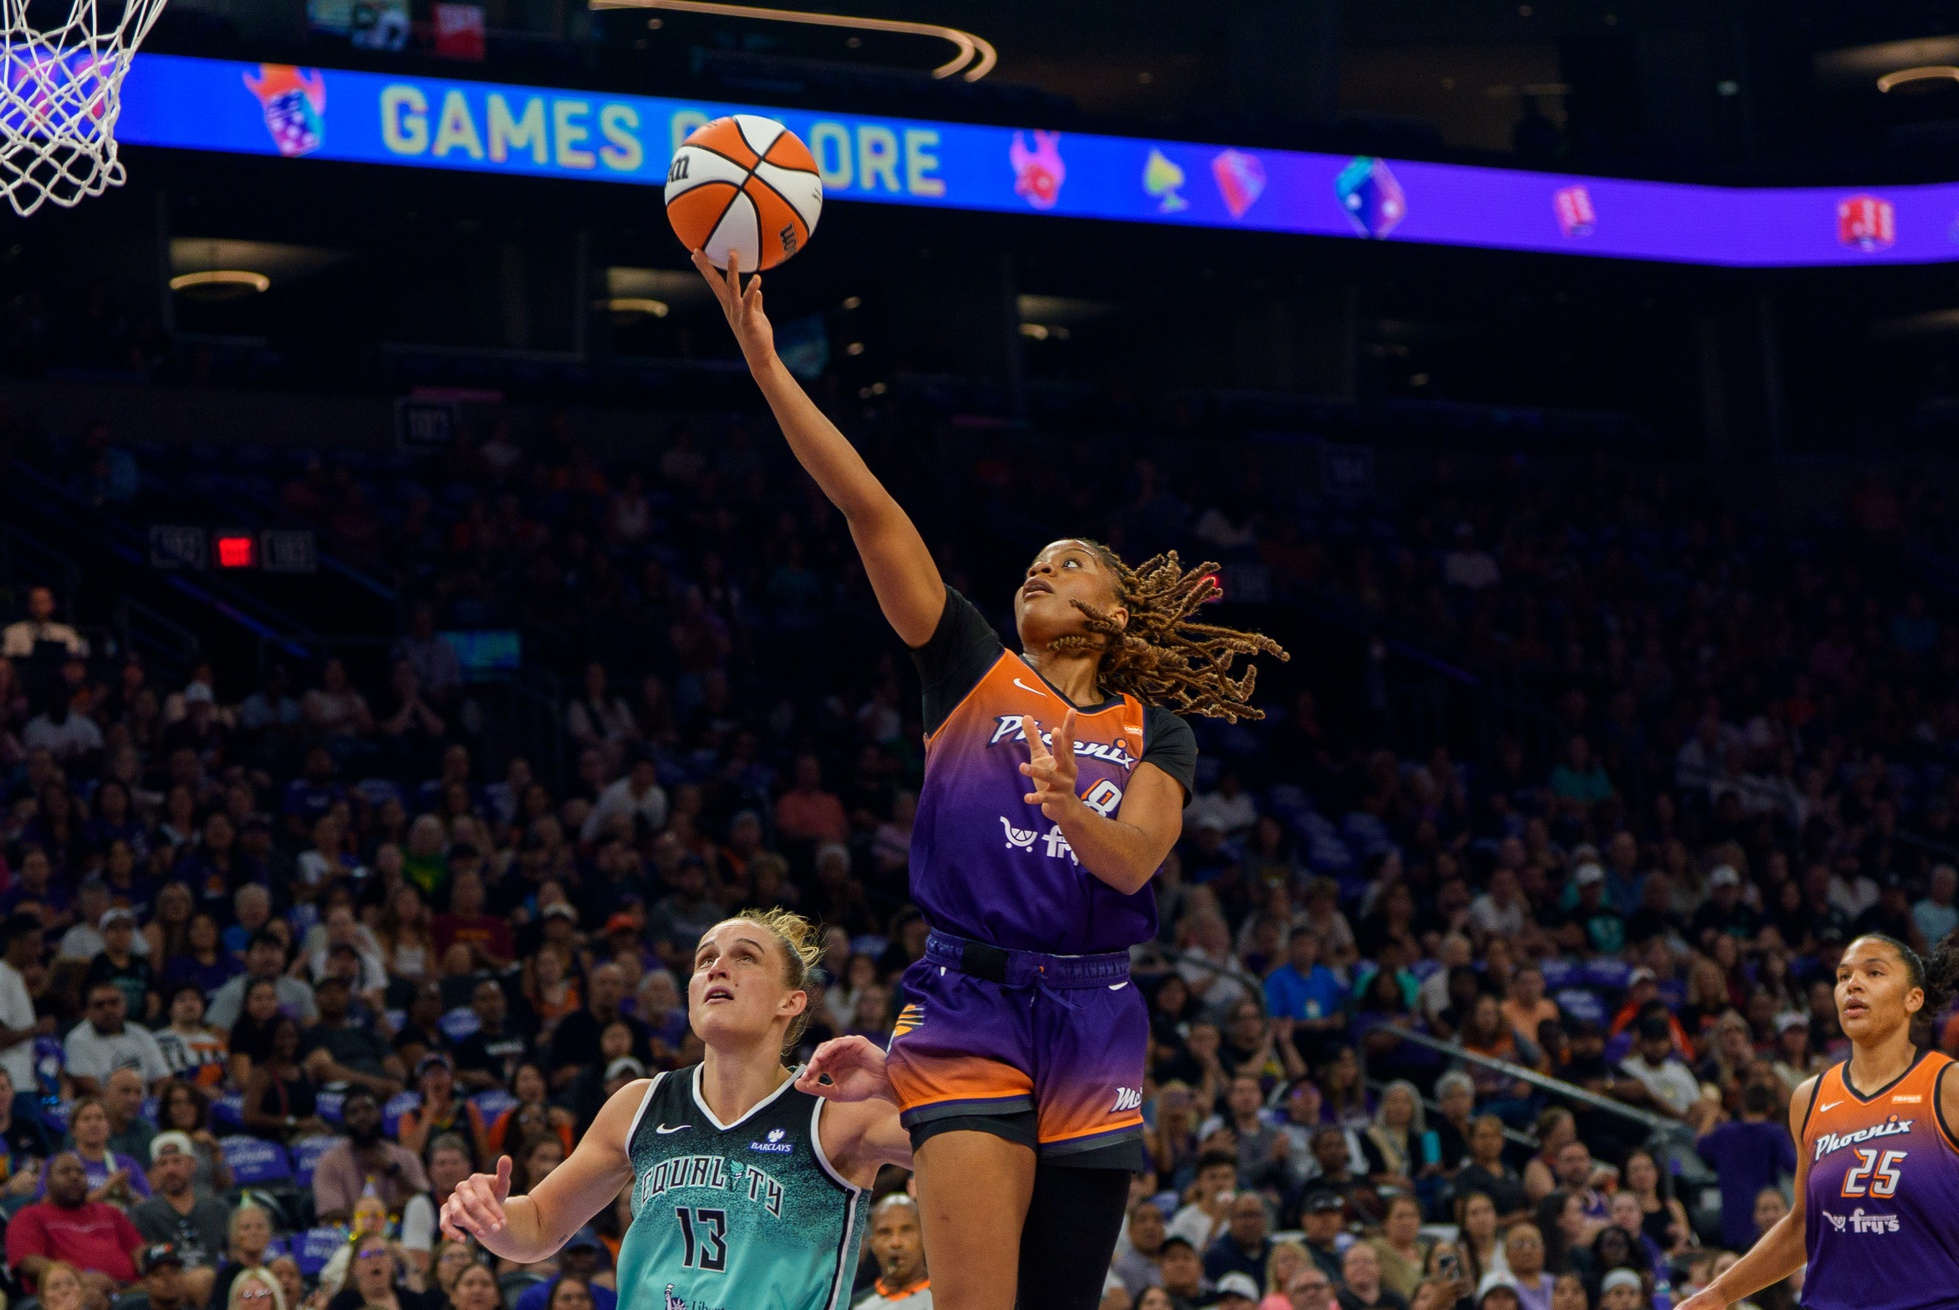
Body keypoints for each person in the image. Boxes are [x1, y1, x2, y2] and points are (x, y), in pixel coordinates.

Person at [693, 248, 1282, 1310]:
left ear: (1116, 611)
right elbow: (867, 507)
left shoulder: (1156, 729)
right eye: (1033, 562)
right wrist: (768, 367)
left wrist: (1069, 809)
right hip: (964, 1002)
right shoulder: (969, 664)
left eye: (1068, 561)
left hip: (1095, 1012)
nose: (1038, 569)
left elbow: (1134, 860)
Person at [438, 912, 911, 1310]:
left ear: (791, 1001)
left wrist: (896, 1087)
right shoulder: (639, 1104)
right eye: (705, 959)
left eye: (745, 957)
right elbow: (540, 1225)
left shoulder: (836, 1111)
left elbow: (954, 1150)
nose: (717, 968)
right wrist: (490, 1215)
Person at [1679, 931, 1959, 1310]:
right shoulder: (1810, 1098)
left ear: (1913, 998)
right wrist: (1718, 1293)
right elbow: (1804, 1225)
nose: (1852, 984)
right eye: (1843, 976)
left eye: (1874, 973)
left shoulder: (1947, 1086)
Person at [4, 1152, 144, 1289]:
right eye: (65, 1172)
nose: (74, 1176)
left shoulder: (109, 1212)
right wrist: (78, 1279)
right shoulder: (29, 1216)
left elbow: (137, 1248)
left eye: (81, 1172)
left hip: (131, 1289)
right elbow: (28, 1261)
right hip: (72, 1293)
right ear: (47, 1181)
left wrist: (150, 1270)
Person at [1694, 1082, 1796, 1253]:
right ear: (1770, 1108)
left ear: (1742, 1107)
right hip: (1766, 1217)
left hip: (1733, 1219)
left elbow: (1700, 1145)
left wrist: (1710, 1114)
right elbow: (1793, 1165)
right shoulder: (1774, 1132)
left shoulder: (1725, 1132)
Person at [132, 1133, 229, 1303]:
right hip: (167, 1289)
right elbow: (143, 1263)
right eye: (163, 1164)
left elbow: (234, 1254)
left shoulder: (216, 1208)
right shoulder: (144, 1213)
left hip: (215, 1287)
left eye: (176, 1162)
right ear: (155, 1171)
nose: (170, 1170)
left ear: (192, 1165)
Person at [63, 983, 171, 1094]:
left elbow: (162, 1078)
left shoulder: (141, 1034)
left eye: (114, 1003)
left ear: (125, 1005)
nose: (108, 1009)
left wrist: (155, 1102)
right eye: (99, 1005)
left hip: (143, 1102)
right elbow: (86, 1083)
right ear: (88, 1011)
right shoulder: (77, 1039)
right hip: (101, 1102)